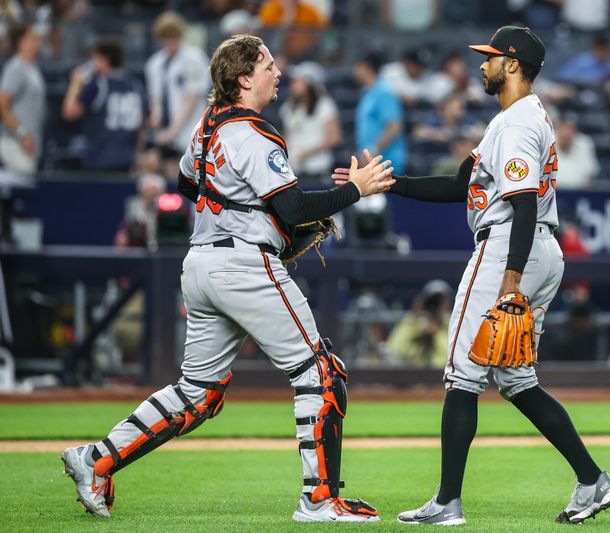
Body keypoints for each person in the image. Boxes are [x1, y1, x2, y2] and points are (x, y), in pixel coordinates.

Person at [61, 34, 394, 523]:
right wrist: (355, 191)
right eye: (268, 66)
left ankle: (95, 461)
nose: (277, 72)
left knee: (198, 392)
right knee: (322, 375)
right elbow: (294, 207)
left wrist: (243, 206)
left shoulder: (207, 126)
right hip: (243, 263)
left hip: (201, 264)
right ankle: (320, 499)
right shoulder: (253, 133)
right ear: (244, 78)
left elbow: (185, 182)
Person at [334, 25, 610, 526]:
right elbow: (456, 185)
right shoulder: (513, 121)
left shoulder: (516, 124)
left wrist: (510, 278)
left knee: (461, 375)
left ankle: (447, 502)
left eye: (490, 58)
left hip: (510, 246)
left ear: (512, 64)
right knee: (516, 379)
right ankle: (593, 481)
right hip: (538, 251)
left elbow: (522, 202)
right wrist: (389, 184)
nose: (482, 65)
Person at [61, 36, 146, 172]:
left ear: (103, 59)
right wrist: (138, 154)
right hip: (128, 159)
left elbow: (69, 112)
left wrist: (75, 83)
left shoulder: (99, 84)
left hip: (99, 160)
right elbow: (142, 123)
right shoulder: (135, 84)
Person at [145, 11, 210, 164]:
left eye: (174, 37)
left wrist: (173, 131)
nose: (171, 42)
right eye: (166, 38)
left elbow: (193, 98)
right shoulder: (154, 63)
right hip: (163, 134)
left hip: (189, 130)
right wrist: (156, 116)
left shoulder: (194, 58)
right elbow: (156, 98)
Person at [279, 61, 341, 182]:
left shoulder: (325, 105)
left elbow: (335, 137)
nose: (293, 86)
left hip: (317, 171)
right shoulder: (289, 106)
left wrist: (309, 152)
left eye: (297, 82)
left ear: (309, 84)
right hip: (293, 171)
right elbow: (288, 135)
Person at [0, 23, 44, 176]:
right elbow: (2, 105)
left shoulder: (32, 67)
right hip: (16, 144)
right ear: (21, 41)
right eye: (34, 37)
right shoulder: (15, 68)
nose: (39, 41)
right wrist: (22, 134)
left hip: (30, 144)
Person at [354, 52, 407, 174]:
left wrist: (372, 151)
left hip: (387, 162)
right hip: (373, 163)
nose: (355, 71)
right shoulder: (368, 92)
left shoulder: (384, 91)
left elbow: (394, 126)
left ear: (367, 68)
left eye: (358, 67)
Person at [387, 279, 453, 367]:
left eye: (441, 301)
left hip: (439, 378)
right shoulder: (414, 324)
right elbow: (395, 350)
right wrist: (413, 319)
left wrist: (437, 332)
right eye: (432, 300)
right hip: (415, 376)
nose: (435, 305)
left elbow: (448, 359)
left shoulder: (452, 325)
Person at [554, 112, 599, 189]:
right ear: (557, 129)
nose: (567, 132)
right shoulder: (547, 142)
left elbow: (590, 175)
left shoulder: (585, 143)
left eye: (571, 129)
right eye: (564, 128)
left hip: (579, 193)